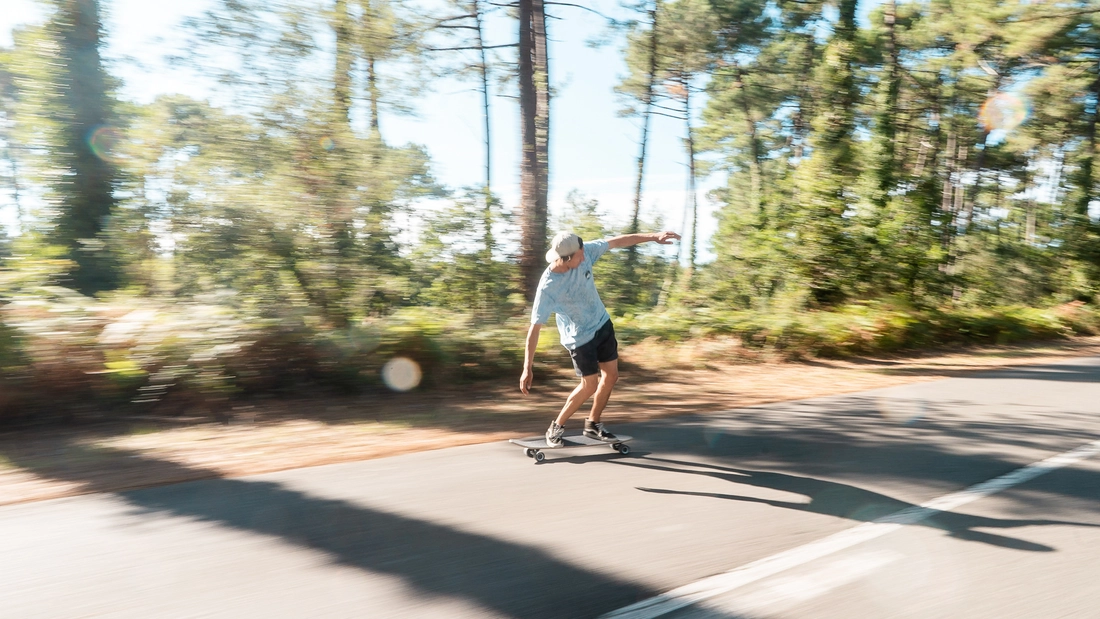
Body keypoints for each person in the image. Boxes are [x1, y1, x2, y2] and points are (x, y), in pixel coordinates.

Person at [520, 230, 682, 446]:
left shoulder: (585, 250)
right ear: (566, 258)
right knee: (589, 385)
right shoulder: (549, 287)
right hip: (579, 337)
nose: (585, 257)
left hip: (602, 324)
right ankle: (556, 427)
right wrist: (527, 368)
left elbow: (618, 241)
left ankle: (593, 424)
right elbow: (534, 329)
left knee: (611, 376)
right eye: (579, 255)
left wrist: (654, 236)